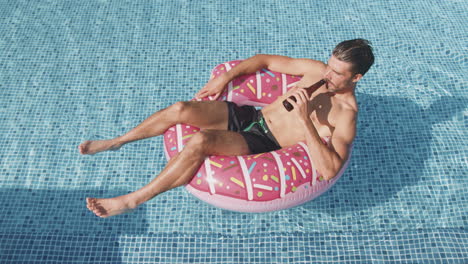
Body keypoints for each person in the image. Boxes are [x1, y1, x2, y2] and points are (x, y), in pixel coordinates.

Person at [80, 39, 374, 218]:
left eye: (337, 73)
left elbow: (331, 168)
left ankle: (133, 200)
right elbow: (263, 60)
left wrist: (305, 120)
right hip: (250, 116)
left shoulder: (346, 115)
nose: (327, 74)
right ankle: (118, 141)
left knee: (202, 141)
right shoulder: (314, 70)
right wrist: (225, 78)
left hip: (262, 142)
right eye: (329, 65)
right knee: (180, 110)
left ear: (357, 77)